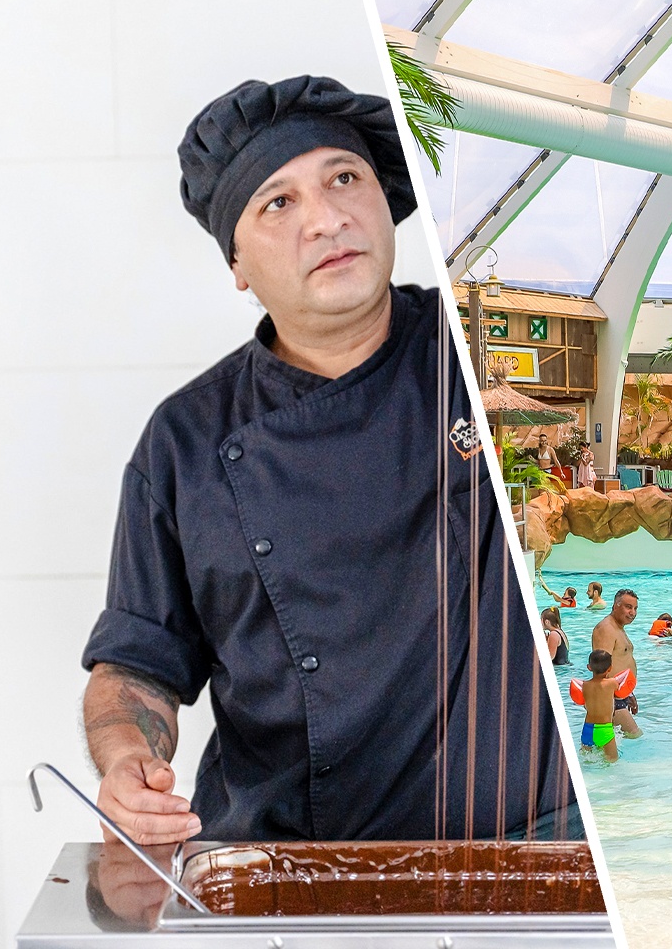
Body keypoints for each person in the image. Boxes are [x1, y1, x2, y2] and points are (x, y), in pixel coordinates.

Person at [80, 76, 573, 845]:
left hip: (536, 848)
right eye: (278, 202)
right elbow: (137, 664)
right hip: (291, 862)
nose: (328, 218)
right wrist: (125, 760)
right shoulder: (184, 442)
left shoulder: (470, 352)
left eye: (346, 178)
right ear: (237, 263)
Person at [592, 590, 642, 737]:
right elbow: (600, 668)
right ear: (615, 606)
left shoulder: (618, 628)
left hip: (619, 695)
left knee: (609, 747)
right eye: (628, 607)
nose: (633, 612)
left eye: (635, 608)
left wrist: (629, 693)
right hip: (611, 698)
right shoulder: (606, 629)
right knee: (635, 736)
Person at [577, 650, 625, 762]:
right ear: (610, 668)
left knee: (586, 761)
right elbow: (621, 688)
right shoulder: (612, 683)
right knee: (612, 762)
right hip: (604, 729)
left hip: (587, 729)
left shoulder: (585, 685)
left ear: (589, 667)